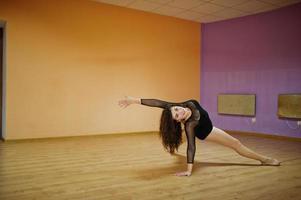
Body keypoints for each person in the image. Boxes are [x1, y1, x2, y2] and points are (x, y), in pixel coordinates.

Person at [118, 96, 281, 177]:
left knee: (177, 140)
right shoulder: (190, 125)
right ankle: (264, 159)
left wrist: (134, 100)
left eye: (175, 109)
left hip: (207, 126)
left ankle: (172, 146)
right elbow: (192, 146)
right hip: (206, 132)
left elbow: (157, 103)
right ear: (180, 120)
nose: (178, 111)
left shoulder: (182, 105)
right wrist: (189, 170)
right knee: (236, 143)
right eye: (177, 115)